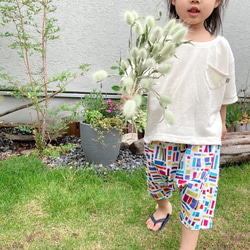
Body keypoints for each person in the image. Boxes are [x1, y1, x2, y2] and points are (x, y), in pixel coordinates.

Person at [144, 0, 238, 249]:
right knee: (158, 179)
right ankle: (163, 205)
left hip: (203, 133)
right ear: (173, 0)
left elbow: (224, 88)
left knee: (197, 190)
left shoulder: (221, 46)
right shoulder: (159, 40)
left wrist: (222, 120)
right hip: (162, 130)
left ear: (217, 1)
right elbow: (139, 72)